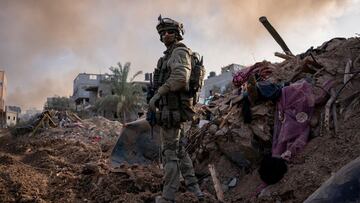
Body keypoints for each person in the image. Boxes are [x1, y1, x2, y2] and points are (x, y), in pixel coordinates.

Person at [148, 15, 203, 203]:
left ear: (178, 34)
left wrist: (158, 94)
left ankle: (168, 197)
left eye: (169, 32)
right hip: (169, 110)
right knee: (179, 150)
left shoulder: (179, 52)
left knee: (170, 153)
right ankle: (195, 191)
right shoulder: (169, 55)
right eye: (162, 33)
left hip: (173, 111)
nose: (165, 35)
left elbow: (180, 78)